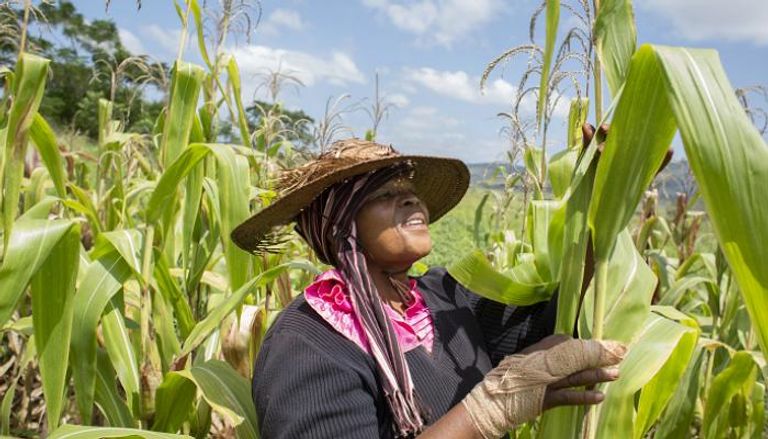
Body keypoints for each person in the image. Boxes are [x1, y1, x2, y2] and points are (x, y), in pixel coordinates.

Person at [231, 138, 626, 439]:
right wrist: (489, 408)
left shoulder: (444, 297)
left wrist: (612, 196)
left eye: (410, 189)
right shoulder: (308, 344)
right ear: (339, 226)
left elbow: (554, 324)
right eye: (384, 193)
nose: (411, 198)